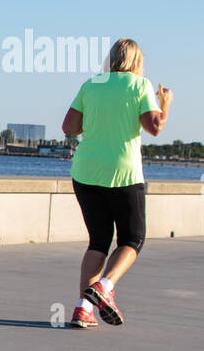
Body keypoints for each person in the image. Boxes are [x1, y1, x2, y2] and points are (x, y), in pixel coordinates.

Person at [62, 38, 172, 327]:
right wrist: (165, 104)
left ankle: (82, 309)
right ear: (137, 61)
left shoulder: (91, 84)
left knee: (98, 240)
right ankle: (105, 287)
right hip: (123, 174)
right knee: (132, 239)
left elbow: (69, 127)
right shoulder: (140, 85)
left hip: (86, 173)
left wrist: (100, 117)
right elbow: (155, 127)